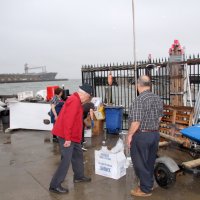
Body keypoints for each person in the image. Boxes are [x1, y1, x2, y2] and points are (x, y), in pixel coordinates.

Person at [49, 83, 93, 194]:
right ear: (85, 94)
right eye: (88, 97)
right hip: (66, 136)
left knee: (78, 155)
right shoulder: (74, 101)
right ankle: (54, 185)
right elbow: (68, 121)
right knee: (66, 160)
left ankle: (79, 176)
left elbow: (75, 119)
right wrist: (68, 138)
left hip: (74, 136)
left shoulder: (76, 100)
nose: (87, 100)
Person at [127, 75, 163, 197]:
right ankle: (149, 183)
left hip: (141, 136)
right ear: (149, 85)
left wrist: (130, 135)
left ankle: (145, 189)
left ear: (138, 85)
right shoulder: (157, 98)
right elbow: (159, 117)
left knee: (139, 163)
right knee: (149, 161)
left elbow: (136, 121)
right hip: (154, 134)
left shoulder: (139, 100)